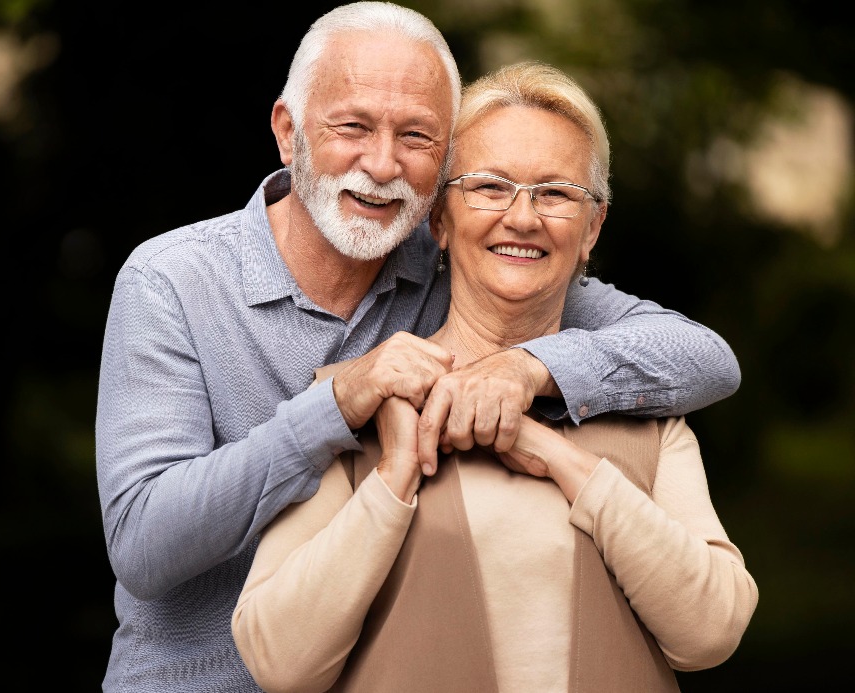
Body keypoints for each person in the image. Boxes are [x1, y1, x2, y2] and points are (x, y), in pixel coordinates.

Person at [96, 3, 741, 690]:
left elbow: (700, 356)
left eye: (417, 136)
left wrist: (529, 369)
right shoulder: (171, 280)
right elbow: (143, 542)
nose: (381, 164)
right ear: (289, 132)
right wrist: (335, 406)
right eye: (352, 126)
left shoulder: (462, 257)